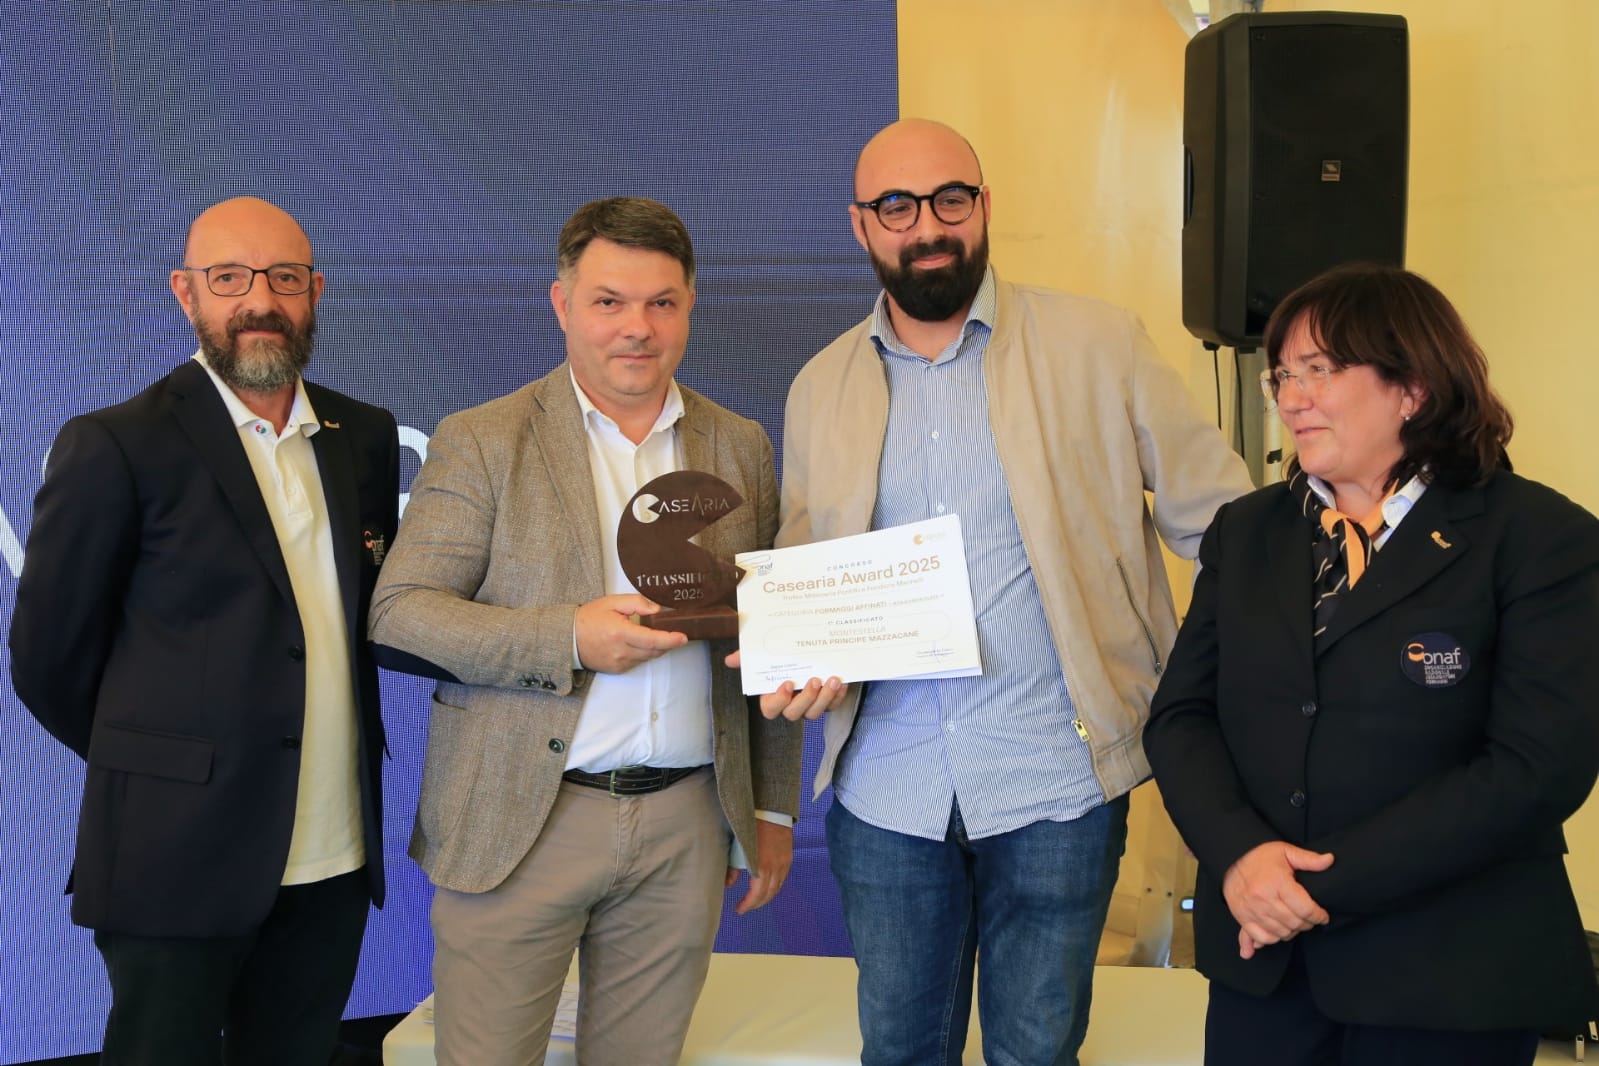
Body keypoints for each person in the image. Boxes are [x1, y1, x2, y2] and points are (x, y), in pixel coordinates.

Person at [767, 117, 1254, 1066]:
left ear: (984, 206)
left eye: (949, 199)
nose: (927, 227)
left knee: (1036, 1053)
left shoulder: (1100, 344)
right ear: (860, 225)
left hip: (1057, 783)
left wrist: (1208, 687)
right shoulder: (819, 386)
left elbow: (1225, 528)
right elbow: (806, 570)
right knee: (899, 1053)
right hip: (887, 791)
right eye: (896, 207)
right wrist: (798, 662)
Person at [367, 197, 801, 1066]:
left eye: (661, 302)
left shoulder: (740, 444)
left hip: (686, 822)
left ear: (689, 305)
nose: (637, 327)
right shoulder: (484, 439)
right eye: (609, 301)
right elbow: (400, 610)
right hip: (521, 820)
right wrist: (567, 636)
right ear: (562, 304)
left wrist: (768, 807)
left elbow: (769, 632)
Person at [1143, 262, 1599, 1065]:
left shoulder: (1538, 538)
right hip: (1265, 966)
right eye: (1281, 375)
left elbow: (1535, 768)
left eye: (1318, 370)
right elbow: (1181, 717)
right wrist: (1241, 858)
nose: (1289, 397)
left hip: (1450, 971)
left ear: (1412, 387)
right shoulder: (1246, 532)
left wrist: (1308, 889)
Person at [8, 196, 400, 1065]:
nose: (259, 301)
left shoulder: (365, 436)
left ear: (314, 292)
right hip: (173, 856)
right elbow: (46, 661)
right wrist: (168, 768)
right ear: (185, 293)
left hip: (332, 852)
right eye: (228, 278)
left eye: (283, 278)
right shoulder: (115, 443)